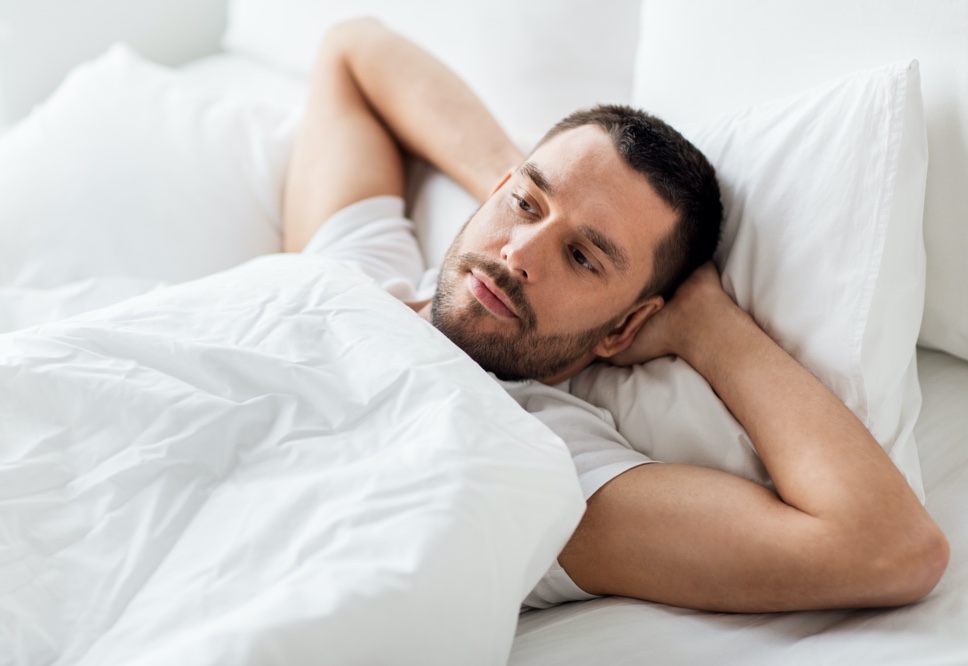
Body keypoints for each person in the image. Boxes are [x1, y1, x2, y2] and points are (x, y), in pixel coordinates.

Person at [282, 18, 949, 612]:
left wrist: (708, 325)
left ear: (624, 327)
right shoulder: (357, 269)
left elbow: (889, 547)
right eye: (523, 207)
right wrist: (523, 185)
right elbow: (353, 48)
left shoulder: (551, 479)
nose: (519, 255)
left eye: (581, 257)